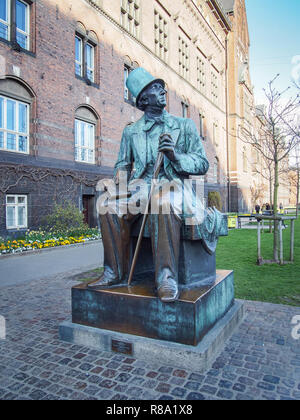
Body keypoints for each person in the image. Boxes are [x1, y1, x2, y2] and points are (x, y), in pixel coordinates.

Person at [89, 67, 221, 302]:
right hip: (139, 189)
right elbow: (122, 165)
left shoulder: (185, 126)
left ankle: (166, 278)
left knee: (163, 200)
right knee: (107, 205)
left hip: (174, 187)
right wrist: (120, 190)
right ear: (143, 98)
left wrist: (175, 157)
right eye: (155, 88)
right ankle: (114, 272)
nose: (162, 91)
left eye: (161, 87)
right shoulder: (131, 132)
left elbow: (202, 163)